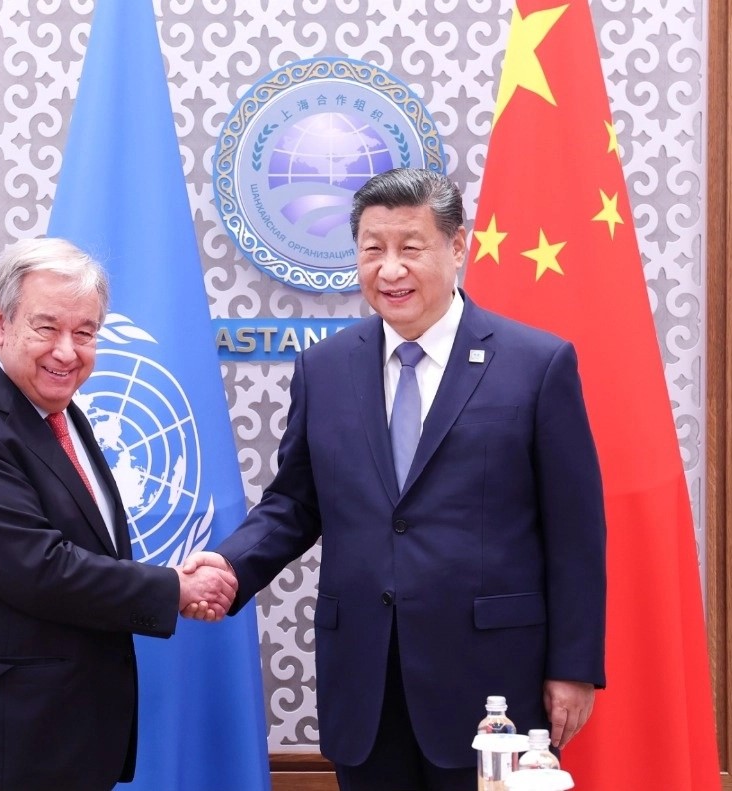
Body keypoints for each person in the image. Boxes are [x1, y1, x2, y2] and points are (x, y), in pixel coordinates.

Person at [185, 168, 607, 790]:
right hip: (365, 678)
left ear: (457, 245)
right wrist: (228, 567)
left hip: (491, 683)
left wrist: (573, 666)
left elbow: (575, 531)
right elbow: (295, 503)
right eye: (372, 249)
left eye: (411, 247)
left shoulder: (536, 365)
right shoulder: (325, 368)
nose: (390, 269)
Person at [0, 237, 237, 791]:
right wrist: (174, 589)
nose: (67, 351)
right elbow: (40, 570)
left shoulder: (61, 412)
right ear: (1, 325)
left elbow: (86, 548)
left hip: (54, 738)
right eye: (46, 328)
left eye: (85, 332)